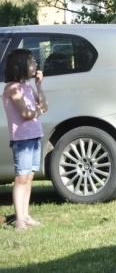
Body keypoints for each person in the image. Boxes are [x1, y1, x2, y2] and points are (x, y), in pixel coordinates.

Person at [2, 49, 47, 231]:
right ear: (20, 65)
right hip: (22, 140)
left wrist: (39, 86)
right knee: (21, 177)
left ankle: (26, 215)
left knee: (29, 177)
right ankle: (20, 220)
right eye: (32, 62)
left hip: (35, 136)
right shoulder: (12, 88)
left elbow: (44, 105)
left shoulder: (27, 87)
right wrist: (38, 111)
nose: (35, 65)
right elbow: (26, 114)